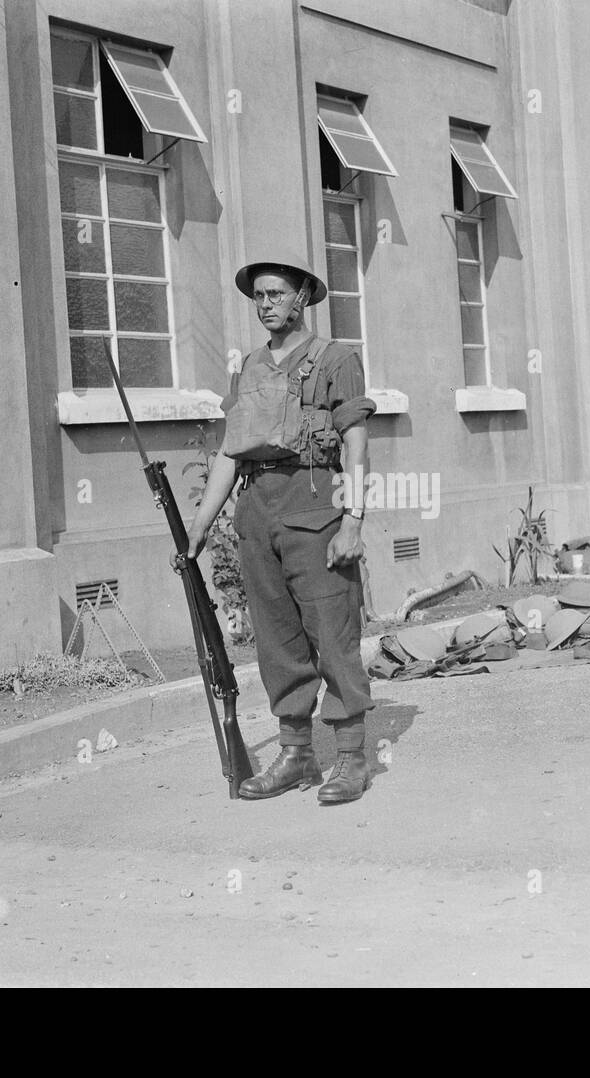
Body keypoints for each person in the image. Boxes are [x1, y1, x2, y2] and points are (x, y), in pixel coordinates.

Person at [186, 253, 376, 804]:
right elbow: (229, 448)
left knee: (332, 635)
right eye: (259, 297)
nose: (266, 305)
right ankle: (296, 755)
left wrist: (354, 521)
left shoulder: (335, 359)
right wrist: (201, 525)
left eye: (276, 295)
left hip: (316, 509)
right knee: (276, 641)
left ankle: (351, 759)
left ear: (302, 298)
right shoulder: (249, 366)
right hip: (258, 514)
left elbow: (357, 443)